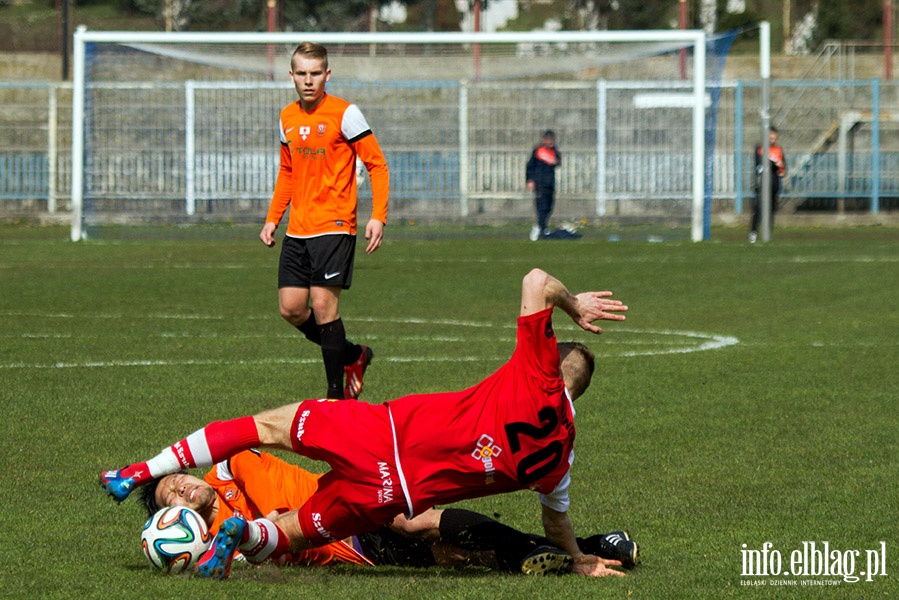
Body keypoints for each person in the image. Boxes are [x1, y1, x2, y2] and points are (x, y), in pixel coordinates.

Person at [101, 268, 629, 579]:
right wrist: (579, 558)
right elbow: (556, 520)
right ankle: (593, 549)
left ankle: (138, 471)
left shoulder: (532, 375)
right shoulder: (560, 459)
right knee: (312, 531)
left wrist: (573, 303)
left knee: (263, 427)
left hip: (377, 433)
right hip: (389, 493)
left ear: (551, 362)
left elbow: (536, 280)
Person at [141, 449, 639, 575]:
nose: (182, 484)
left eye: (177, 476)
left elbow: (277, 516)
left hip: (348, 506)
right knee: (458, 558)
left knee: (416, 520)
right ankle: (592, 551)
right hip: (355, 553)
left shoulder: (234, 467)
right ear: (172, 517)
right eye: (172, 495)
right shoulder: (209, 546)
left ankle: (583, 552)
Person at [259, 41, 389, 399]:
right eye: (301, 73)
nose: (308, 80)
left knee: (322, 305)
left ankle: (335, 399)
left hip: (334, 225)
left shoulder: (345, 114)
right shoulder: (287, 117)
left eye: (315, 73)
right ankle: (353, 354)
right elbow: (287, 171)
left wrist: (378, 216)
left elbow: (376, 165)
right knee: (291, 308)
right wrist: (273, 218)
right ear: (291, 76)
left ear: (327, 75)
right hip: (297, 229)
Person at [750, 126, 787, 243]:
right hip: (761, 184)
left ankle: (768, 233)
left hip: (774, 183)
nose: (772, 138)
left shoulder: (778, 149)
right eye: (770, 135)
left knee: (771, 209)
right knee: (759, 209)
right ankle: (753, 232)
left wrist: (782, 168)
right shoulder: (760, 149)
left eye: (774, 136)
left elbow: (783, 165)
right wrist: (775, 163)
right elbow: (760, 162)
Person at [526, 130, 560, 241]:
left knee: (549, 206)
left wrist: (555, 160)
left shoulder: (554, 151)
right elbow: (530, 166)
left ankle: (543, 227)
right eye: (548, 140)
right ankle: (539, 227)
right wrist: (530, 180)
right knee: (541, 207)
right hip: (540, 183)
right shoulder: (538, 151)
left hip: (550, 183)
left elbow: (558, 161)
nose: (550, 142)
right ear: (544, 140)